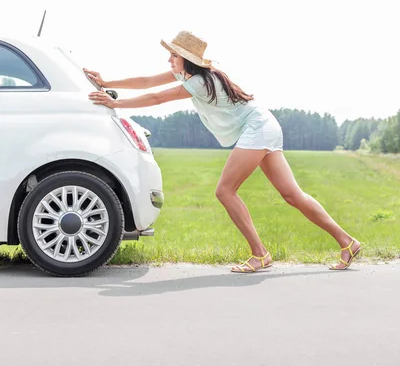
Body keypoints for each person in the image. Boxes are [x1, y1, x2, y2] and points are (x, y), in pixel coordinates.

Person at [85, 30, 361, 273]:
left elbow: (157, 97)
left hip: (258, 129)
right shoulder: (189, 75)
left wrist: (112, 103)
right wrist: (108, 82)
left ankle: (259, 255)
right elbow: (147, 82)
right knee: (292, 195)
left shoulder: (199, 82)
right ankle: (347, 242)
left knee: (225, 191)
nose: (169, 60)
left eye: (173, 56)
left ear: (185, 58)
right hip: (265, 125)